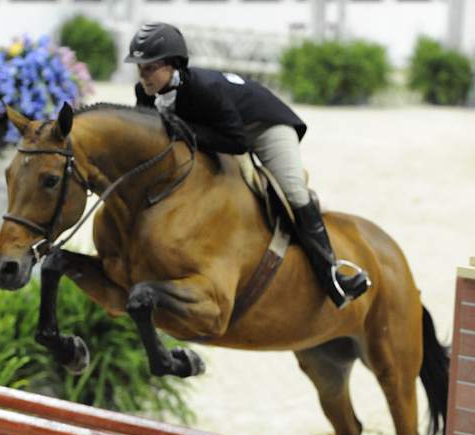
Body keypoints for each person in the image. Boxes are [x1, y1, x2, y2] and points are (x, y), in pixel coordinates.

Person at [125, 22, 370, 308]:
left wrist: (184, 128)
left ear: (172, 65)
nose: (143, 75)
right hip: (219, 127)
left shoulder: (203, 89)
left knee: (293, 191)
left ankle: (333, 275)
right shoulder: (145, 93)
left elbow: (237, 142)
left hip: (263, 126)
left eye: (149, 67)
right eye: (140, 68)